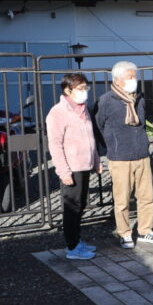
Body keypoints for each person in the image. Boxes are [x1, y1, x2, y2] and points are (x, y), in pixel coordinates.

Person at [94, 61, 153, 249]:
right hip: (120, 157)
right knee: (122, 199)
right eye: (129, 77)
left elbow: (141, 123)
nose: (134, 81)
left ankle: (145, 230)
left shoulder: (139, 98)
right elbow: (98, 126)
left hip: (141, 154)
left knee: (147, 196)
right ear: (117, 80)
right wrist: (110, 146)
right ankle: (124, 233)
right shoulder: (106, 101)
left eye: (135, 77)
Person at [46, 73, 102, 260]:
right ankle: (72, 247)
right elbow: (55, 144)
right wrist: (63, 171)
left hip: (84, 165)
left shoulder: (83, 109)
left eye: (85, 88)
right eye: (80, 88)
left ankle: (77, 240)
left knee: (81, 204)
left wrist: (95, 160)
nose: (84, 92)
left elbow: (90, 137)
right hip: (72, 166)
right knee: (72, 207)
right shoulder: (57, 112)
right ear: (67, 90)